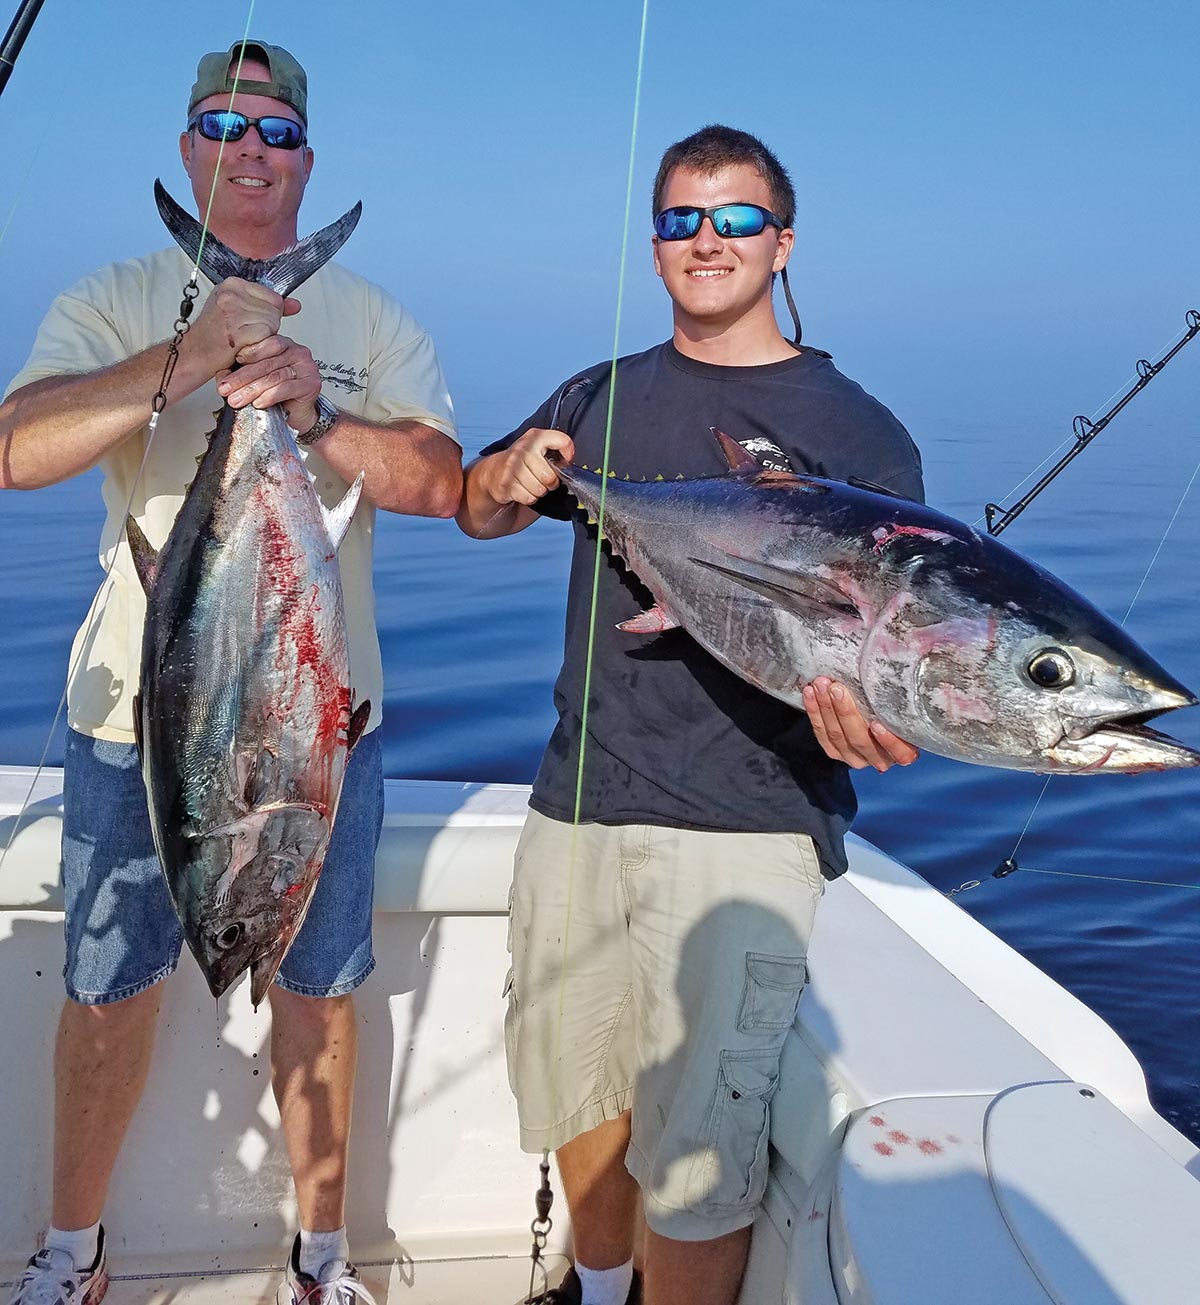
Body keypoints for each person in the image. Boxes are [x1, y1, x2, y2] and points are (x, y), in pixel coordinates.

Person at [0, 40, 460, 1305]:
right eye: (222, 122)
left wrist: (314, 411)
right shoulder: (113, 295)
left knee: (318, 992)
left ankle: (320, 1261)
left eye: (273, 129)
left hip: (321, 720)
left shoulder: (375, 321)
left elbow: (440, 484)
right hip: (131, 721)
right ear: (188, 145)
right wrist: (185, 362)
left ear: (307, 159)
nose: (248, 146)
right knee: (106, 994)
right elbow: (18, 451)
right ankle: (69, 1256)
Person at [455, 124, 922, 1305]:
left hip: (747, 827)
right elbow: (478, 508)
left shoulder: (862, 434)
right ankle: (599, 1293)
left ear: (784, 242)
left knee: (703, 1157)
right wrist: (504, 481)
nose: (706, 241)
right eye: (680, 220)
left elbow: (888, 649)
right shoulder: (601, 396)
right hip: (578, 806)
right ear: (655, 242)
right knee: (579, 1101)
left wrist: (859, 722)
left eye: (735, 219)